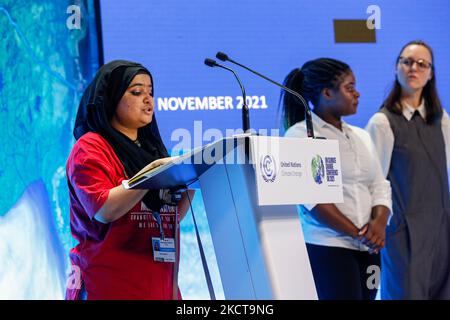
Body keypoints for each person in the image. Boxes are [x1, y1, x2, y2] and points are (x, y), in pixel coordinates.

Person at [65, 60, 192, 300]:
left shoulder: (153, 151)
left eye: (151, 92)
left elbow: (170, 215)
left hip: (159, 286)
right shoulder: (90, 147)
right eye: (136, 92)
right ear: (112, 98)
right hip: (106, 286)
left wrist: (193, 180)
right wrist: (151, 174)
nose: (148, 99)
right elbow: (104, 209)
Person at [282, 58, 392, 300]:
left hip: (369, 248)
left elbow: (379, 185)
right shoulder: (300, 135)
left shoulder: (361, 136)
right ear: (327, 93)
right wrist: (358, 232)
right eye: (350, 87)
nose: (358, 93)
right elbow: (312, 201)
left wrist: (379, 224)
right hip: (328, 247)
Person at [365, 40, 450, 299]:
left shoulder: (442, 119)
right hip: (403, 234)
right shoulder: (382, 122)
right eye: (407, 61)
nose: (414, 68)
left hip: (441, 231)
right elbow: (374, 183)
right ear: (396, 67)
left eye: (422, 64)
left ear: (431, 73)